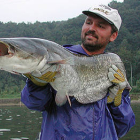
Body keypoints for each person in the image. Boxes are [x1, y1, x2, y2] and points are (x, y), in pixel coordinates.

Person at [21, 4, 135, 140]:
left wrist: (117, 103)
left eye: (101, 26)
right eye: (88, 22)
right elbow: (34, 104)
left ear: (113, 35)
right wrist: (37, 84)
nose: (91, 28)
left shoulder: (114, 69)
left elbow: (123, 127)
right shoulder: (56, 58)